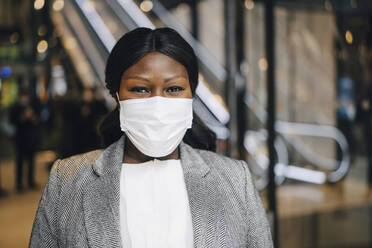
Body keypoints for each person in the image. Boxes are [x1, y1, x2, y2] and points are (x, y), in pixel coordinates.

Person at [29, 27, 273, 247]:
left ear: (191, 95)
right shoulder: (69, 180)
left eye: (174, 89)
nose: (158, 102)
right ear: (116, 95)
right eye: (140, 89)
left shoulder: (234, 180)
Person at [9, 89, 41, 191]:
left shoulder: (32, 106)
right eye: (23, 96)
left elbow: (37, 120)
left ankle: (30, 181)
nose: (25, 99)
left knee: (31, 161)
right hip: (20, 138)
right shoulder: (15, 108)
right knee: (20, 161)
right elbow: (13, 122)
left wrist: (31, 117)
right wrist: (23, 117)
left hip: (31, 138)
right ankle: (19, 184)